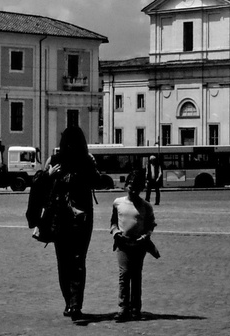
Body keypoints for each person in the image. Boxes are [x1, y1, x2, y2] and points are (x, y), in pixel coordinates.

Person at [28, 124, 111, 325]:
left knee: (65, 262)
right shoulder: (85, 161)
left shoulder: (56, 161)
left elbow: (38, 187)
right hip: (80, 219)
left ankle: (71, 303)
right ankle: (74, 303)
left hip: (61, 219)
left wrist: (50, 176)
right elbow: (100, 182)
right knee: (77, 261)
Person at [110, 169, 158, 322]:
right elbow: (113, 222)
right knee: (124, 274)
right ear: (126, 186)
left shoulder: (146, 206)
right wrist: (115, 232)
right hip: (122, 244)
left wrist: (145, 236)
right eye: (130, 186)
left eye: (136, 188)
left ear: (141, 189)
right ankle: (123, 308)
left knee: (136, 275)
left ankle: (135, 308)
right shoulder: (118, 203)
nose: (133, 190)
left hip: (139, 245)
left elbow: (151, 224)